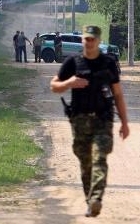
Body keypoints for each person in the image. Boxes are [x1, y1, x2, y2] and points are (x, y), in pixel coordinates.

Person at [50, 25, 130, 218]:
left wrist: (125, 123)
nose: (90, 42)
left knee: (99, 158)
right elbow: (54, 85)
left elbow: (118, 94)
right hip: (80, 121)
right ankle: (90, 202)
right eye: (87, 39)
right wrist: (69, 83)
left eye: (93, 39)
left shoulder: (108, 63)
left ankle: (96, 199)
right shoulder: (73, 63)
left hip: (103, 120)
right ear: (83, 40)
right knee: (86, 164)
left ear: (99, 40)